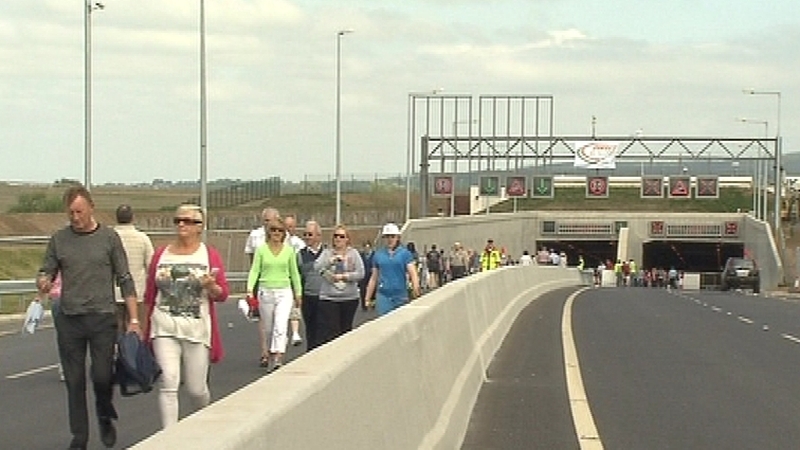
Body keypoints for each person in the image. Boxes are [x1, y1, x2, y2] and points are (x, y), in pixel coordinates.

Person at [36, 184, 140, 450]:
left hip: (102, 318)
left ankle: (105, 415)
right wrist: (44, 281)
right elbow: (46, 270)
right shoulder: (59, 239)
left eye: (79, 211)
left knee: (102, 376)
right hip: (70, 318)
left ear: (91, 208)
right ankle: (79, 437)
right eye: (71, 212)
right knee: (74, 381)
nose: (75, 217)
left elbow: (125, 278)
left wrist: (134, 319)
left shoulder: (108, 238)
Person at [142, 204, 229, 429]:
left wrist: (211, 287)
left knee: (196, 389)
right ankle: (170, 439)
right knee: (168, 382)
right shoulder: (161, 254)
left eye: (188, 221)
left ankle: (206, 421)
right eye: (178, 220)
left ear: (200, 227)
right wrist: (141, 326)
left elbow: (222, 294)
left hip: (196, 329)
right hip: (163, 327)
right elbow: (150, 294)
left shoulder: (209, 255)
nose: (182, 224)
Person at [246, 217, 303, 371]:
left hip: (284, 291)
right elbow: (255, 270)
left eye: (280, 230)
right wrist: (250, 289)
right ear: (268, 232)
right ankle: (272, 351)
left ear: (284, 233)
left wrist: (298, 293)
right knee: (269, 328)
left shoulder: (289, 251)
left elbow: (294, 273)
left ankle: (278, 356)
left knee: (280, 324)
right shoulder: (261, 250)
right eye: (273, 230)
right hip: (266, 291)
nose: (276, 233)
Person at [314, 225, 364, 346]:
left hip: (349, 297)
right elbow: (317, 267)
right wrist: (330, 261)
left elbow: (361, 273)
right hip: (329, 298)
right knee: (332, 331)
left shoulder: (353, 253)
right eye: (336, 236)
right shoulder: (327, 253)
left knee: (346, 330)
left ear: (347, 239)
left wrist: (345, 276)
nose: (338, 239)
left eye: (341, 236)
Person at [243, 208, 279, 362]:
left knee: (278, 317)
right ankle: (265, 351)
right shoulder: (255, 236)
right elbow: (251, 257)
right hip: (261, 279)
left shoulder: (283, 235)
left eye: (271, 220)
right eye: (266, 220)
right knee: (263, 317)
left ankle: (277, 349)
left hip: (279, 279)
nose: (268, 224)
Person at [113, 204, 154, 336]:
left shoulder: (110, 237)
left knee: (114, 334)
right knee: (136, 334)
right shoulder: (142, 238)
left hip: (113, 294)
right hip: (138, 294)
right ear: (132, 218)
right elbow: (151, 266)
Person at [364, 223, 420, 316]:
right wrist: (367, 297)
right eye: (387, 237)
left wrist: (416, 289)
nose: (390, 239)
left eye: (392, 236)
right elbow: (374, 278)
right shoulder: (378, 255)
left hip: (401, 295)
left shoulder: (405, 254)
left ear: (398, 237)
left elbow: (413, 273)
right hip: (383, 295)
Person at [297, 220, 324, 351]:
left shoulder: (327, 253)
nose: (307, 237)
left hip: (325, 296)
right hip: (308, 297)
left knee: (323, 329)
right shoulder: (300, 255)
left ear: (318, 236)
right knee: (310, 329)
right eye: (305, 234)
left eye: (310, 234)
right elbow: (298, 276)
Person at [282, 214, 306, 345]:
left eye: (291, 226)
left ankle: (295, 333)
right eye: (286, 226)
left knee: (295, 307)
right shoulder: (278, 243)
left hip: (294, 278)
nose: (288, 229)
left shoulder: (298, 243)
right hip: (281, 278)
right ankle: (283, 334)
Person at [358, 242, 374, 310]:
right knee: (363, 290)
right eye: (365, 248)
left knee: (373, 289)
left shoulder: (374, 255)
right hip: (363, 275)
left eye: (368, 248)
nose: (367, 249)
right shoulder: (361, 255)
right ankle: (364, 305)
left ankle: (373, 303)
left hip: (372, 274)